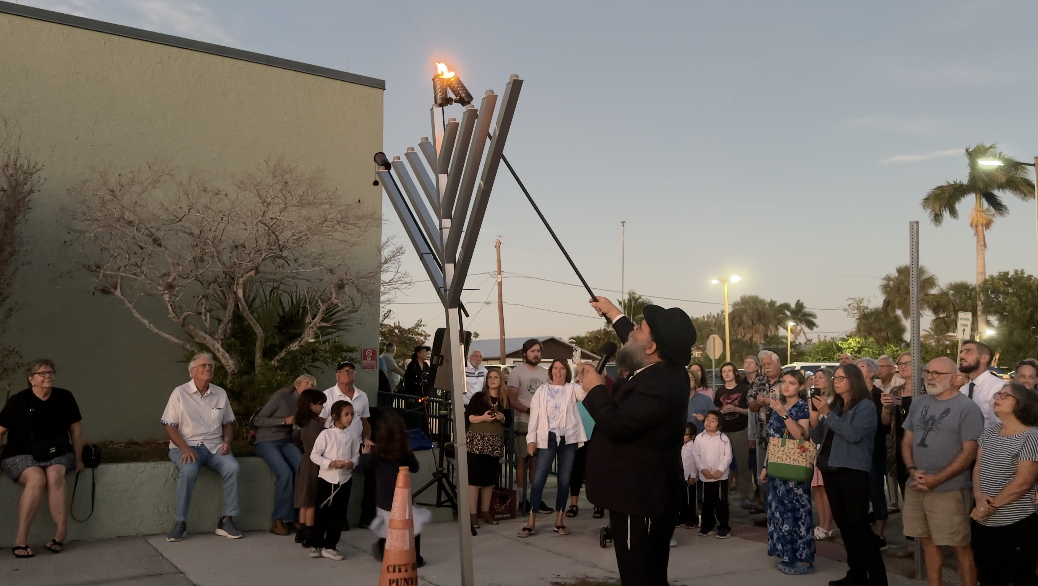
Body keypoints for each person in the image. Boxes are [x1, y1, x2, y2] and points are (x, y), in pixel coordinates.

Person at [577, 296, 695, 586]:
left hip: (639, 500)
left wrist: (595, 390)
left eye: (640, 328)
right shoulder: (663, 370)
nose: (633, 331)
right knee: (649, 575)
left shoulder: (660, 383)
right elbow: (632, 339)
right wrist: (613, 313)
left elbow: (616, 425)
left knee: (639, 576)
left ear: (652, 347)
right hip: (642, 494)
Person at [902, 356, 982, 586]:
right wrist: (911, 469)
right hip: (916, 486)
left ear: (955, 378)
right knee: (927, 542)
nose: (930, 377)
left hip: (949, 490)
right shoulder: (919, 403)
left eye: (938, 373)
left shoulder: (967, 408)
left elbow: (969, 452)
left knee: (960, 546)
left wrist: (937, 479)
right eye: (928, 372)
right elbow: (907, 440)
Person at [811, 363, 887, 586]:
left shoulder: (865, 406)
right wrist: (816, 416)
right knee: (844, 524)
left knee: (859, 526)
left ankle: (878, 578)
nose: (836, 381)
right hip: (831, 469)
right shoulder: (836, 406)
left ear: (853, 380)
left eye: (841, 378)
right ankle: (856, 573)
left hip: (852, 471)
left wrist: (827, 414)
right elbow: (819, 437)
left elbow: (853, 434)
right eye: (835, 378)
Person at [0, 359, 83, 558]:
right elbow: (0, 431)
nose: (48, 376)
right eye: (42, 373)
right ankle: (20, 540)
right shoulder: (19, 401)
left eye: (50, 372)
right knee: (37, 479)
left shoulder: (64, 397)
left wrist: (78, 459)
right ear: (31, 379)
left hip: (57, 451)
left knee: (55, 475)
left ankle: (60, 534)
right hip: (20, 452)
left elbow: (76, 432)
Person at [161, 352, 241, 542]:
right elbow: (169, 425)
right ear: (192, 371)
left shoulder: (220, 393)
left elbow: (228, 422)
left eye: (210, 366)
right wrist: (184, 448)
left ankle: (226, 520)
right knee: (188, 471)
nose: (208, 368)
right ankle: (180, 522)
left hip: (214, 447)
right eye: (203, 366)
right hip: (186, 446)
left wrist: (227, 443)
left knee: (233, 468)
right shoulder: (179, 393)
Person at [969, 382, 1038, 585]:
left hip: (1017, 523)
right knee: (988, 575)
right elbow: (978, 468)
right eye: (997, 393)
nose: (996, 397)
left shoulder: (1032, 436)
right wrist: (980, 498)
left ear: (1021, 404)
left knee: (1020, 576)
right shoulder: (990, 432)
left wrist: (990, 506)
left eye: (1004, 395)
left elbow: (1023, 482)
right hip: (984, 521)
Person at [518, 359, 587, 538]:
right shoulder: (542, 391)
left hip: (568, 438)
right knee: (539, 479)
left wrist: (584, 371)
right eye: (555, 368)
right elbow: (534, 418)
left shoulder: (572, 389)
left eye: (562, 368)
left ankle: (559, 520)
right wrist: (530, 440)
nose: (558, 371)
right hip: (547, 437)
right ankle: (531, 521)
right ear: (550, 371)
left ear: (566, 371)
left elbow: (586, 392)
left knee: (564, 480)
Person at [759, 370, 814, 575]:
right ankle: (787, 554)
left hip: (795, 465)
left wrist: (784, 414)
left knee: (798, 512)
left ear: (800, 387)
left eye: (792, 383)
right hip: (777, 465)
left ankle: (804, 559)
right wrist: (766, 466)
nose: (787, 386)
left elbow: (801, 435)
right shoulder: (777, 407)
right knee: (779, 512)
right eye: (784, 382)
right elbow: (773, 441)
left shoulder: (802, 407)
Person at [358, 410, 424, 568]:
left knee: (389, 528)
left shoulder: (378, 453)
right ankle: (414, 557)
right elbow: (415, 467)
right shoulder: (403, 453)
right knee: (412, 528)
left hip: (383, 498)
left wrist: (365, 454)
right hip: (403, 498)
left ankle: (383, 549)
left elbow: (361, 469)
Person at [253, 374, 315, 536]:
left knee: (301, 470)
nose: (310, 385)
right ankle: (278, 520)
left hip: (287, 442)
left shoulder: (307, 407)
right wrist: (284, 421)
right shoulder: (281, 397)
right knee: (285, 473)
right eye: (307, 382)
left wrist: (298, 430)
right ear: (297, 385)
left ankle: (295, 517)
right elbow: (258, 420)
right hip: (267, 441)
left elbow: (297, 434)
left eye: (313, 385)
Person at [309, 400, 360, 561]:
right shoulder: (326, 434)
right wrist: (330, 463)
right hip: (326, 479)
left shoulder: (352, 436)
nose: (350, 418)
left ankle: (330, 546)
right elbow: (314, 455)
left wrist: (352, 463)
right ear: (336, 416)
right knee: (322, 512)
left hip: (344, 480)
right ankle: (316, 543)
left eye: (352, 414)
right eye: (346, 414)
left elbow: (356, 454)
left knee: (339, 514)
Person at [506, 339, 551, 515]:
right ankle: (522, 499)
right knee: (522, 460)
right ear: (525, 353)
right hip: (522, 421)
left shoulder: (545, 373)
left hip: (542, 423)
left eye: (538, 351)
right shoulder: (516, 372)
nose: (536, 354)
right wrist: (529, 410)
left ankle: (535, 499)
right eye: (532, 351)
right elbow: (511, 399)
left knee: (536, 461)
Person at [466, 369, 511, 531]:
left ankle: (485, 511)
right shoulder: (478, 397)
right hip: (477, 440)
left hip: (494, 442)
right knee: (474, 478)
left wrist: (502, 417)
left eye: (496, 377)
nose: (492, 380)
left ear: (500, 380)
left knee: (489, 479)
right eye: (490, 377)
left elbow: (509, 422)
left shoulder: (504, 400)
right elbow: (468, 416)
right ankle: (472, 513)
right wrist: (483, 418)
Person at [856, 357, 890, 548]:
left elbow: (885, 424)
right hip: (856, 451)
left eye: (861, 367)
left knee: (876, 491)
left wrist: (886, 409)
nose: (857, 370)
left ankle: (880, 533)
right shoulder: (853, 395)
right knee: (860, 492)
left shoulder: (878, 394)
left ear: (871, 372)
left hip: (874, 449)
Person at [747, 350, 783, 517]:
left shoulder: (788, 380)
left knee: (782, 476)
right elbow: (751, 406)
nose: (766, 368)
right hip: (763, 436)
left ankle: (781, 512)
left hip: (784, 437)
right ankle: (768, 512)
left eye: (769, 364)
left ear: (778, 363)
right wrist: (758, 402)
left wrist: (774, 403)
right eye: (764, 365)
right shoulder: (759, 381)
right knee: (764, 476)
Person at [293, 388, 327, 550]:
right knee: (312, 501)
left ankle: (302, 530)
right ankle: (310, 534)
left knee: (304, 502)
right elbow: (321, 445)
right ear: (311, 405)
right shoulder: (314, 425)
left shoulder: (304, 422)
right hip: (313, 465)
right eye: (320, 404)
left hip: (305, 462)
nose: (322, 407)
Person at [715, 361, 751, 506]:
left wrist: (737, 410)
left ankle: (745, 496)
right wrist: (721, 412)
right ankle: (725, 496)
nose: (727, 373)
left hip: (740, 431)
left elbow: (751, 411)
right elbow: (715, 411)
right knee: (724, 466)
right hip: (723, 432)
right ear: (722, 375)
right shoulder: (719, 391)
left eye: (730, 370)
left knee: (743, 465)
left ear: (735, 372)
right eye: (724, 371)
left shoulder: (744, 389)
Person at [694, 411, 733, 539]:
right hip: (705, 476)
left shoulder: (723, 438)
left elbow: (728, 457)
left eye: (713, 420)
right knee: (706, 502)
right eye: (707, 419)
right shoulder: (699, 437)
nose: (709, 422)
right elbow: (696, 455)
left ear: (719, 425)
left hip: (720, 477)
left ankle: (723, 527)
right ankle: (707, 525)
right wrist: (703, 469)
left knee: (721, 502)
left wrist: (720, 470)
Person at [809, 368, 835, 541]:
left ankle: (828, 525)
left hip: (828, 449)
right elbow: (813, 427)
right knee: (816, 487)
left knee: (826, 488)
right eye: (815, 377)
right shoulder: (813, 400)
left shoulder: (834, 401)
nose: (816, 380)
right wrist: (813, 414)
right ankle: (821, 523)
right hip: (815, 446)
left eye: (820, 377)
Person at [741, 355, 766, 512]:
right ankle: (761, 501)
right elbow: (751, 409)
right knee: (756, 467)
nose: (748, 364)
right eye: (746, 362)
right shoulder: (744, 384)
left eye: (752, 362)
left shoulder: (764, 381)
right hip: (753, 430)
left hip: (766, 430)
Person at [959, 340, 1001, 429]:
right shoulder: (963, 389)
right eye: (961, 352)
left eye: (968, 352)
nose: (961, 355)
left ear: (984, 358)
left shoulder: (998, 388)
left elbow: (999, 427)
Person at [680, 424, 698, 529]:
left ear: (693, 436)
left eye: (685, 434)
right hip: (681, 476)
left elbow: (694, 463)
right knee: (682, 498)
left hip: (690, 477)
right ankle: (682, 517)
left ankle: (691, 518)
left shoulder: (693, 447)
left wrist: (693, 476)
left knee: (691, 499)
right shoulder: (679, 445)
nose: (682, 436)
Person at [687, 369, 714, 435]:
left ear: (696, 382)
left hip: (702, 439)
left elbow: (716, 419)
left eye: (690, 379)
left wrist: (705, 419)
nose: (687, 381)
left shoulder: (706, 400)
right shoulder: (677, 401)